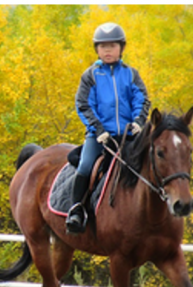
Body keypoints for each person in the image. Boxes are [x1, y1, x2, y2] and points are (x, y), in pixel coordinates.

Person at [66, 22, 151, 234]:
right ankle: (76, 210)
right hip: (99, 136)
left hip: (129, 136)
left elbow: (142, 100)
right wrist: (98, 128)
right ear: (97, 50)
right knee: (85, 166)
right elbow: (83, 104)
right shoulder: (90, 75)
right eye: (103, 46)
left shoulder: (131, 74)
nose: (107, 50)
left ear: (121, 48)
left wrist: (139, 122)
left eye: (112, 46)